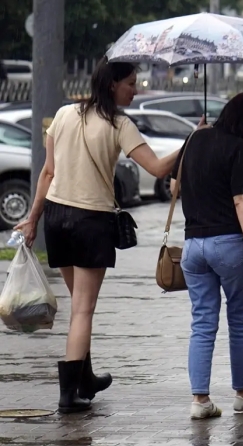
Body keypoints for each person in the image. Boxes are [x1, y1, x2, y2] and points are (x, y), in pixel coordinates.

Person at [14, 56, 206, 414]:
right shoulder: (119, 124)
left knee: (77, 307)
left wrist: (32, 219)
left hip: (56, 217)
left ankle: (84, 379)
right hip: (90, 220)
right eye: (131, 83)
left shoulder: (64, 115)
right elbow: (160, 168)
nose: (136, 89)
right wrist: (192, 138)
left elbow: (47, 173)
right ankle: (69, 394)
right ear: (113, 84)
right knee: (83, 310)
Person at [170, 92, 243, 419]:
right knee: (240, 321)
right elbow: (242, 200)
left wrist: (195, 137)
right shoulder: (239, 148)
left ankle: (200, 401)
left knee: (202, 323)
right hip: (228, 245)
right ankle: (242, 393)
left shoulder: (195, 139)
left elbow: (175, 188)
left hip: (193, 247)